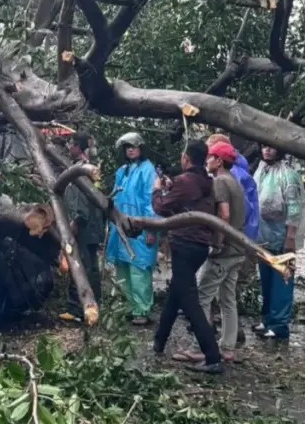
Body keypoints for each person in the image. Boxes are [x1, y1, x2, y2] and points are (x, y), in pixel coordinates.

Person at [151, 140, 224, 374]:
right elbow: (188, 202)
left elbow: (161, 207)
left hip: (184, 244)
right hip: (200, 246)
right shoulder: (207, 182)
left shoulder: (185, 181)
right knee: (176, 293)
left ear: (185, 158)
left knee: (190, 302)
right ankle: (159, 342)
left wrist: (156, 189)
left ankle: (213, 357)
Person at [191, 141, 247, 362]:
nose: (207, 161)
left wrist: (217, 244)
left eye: (210, 157)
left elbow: (223, 216)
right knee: (228, 299)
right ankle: (227, 347)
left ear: (219, 161)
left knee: (202, 297)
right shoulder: (234, 182)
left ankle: (200, 346)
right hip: (238, 248)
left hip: (224, 251)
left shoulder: (220, 182)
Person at [253, 146, 305, 339]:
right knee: (266, 280)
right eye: (264, 147)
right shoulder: (261, 171)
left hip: (283, 237)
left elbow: (294, 208)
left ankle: (279, 325)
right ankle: (267, 319)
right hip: (264, 237)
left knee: (282, 281)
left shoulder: (288, 175)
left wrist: (290, 237)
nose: (267, 151)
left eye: (271, 147)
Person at [105, 132, 158, 325]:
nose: (130, 150)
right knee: (122, 267)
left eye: (133, 146)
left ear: (141, 148)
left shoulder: (148, 170)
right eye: (126, 147)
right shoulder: (122, 171)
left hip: (140, 227)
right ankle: (128, 305)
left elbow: (151, 201)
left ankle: (141, 309)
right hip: (120, 227)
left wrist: (151, 228)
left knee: (139, 269)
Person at [60, 132, 105, 322]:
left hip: (84, 226)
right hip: (94, 227)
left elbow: (79, 201)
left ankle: (77, 308)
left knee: (79, 264)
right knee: (92, 266)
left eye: (70, 144)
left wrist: (75, 222)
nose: (68, 148)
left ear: (77, 147)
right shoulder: (92, 167)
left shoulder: (79, 169)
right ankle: (95, 303)